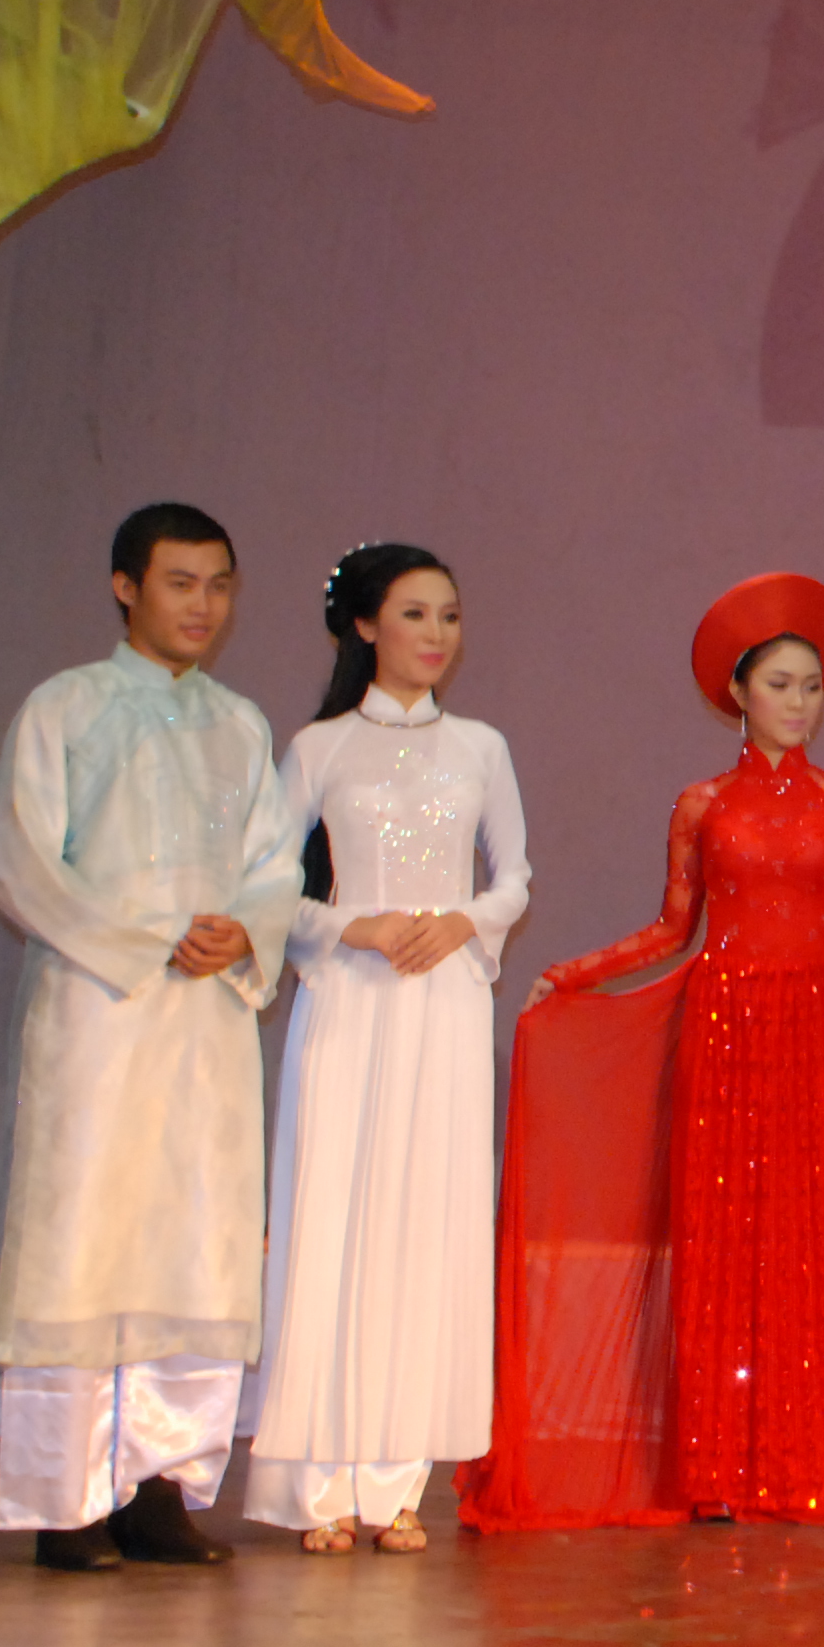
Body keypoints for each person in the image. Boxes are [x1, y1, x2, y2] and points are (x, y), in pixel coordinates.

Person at [477, 575, 824, 1529]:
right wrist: (574, 976)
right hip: (722, 1032)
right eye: (780, 686)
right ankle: (716, 1467)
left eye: (812, 688)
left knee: (812, 1247)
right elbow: (673, 929)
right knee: (720, 1244)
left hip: (817, 1033)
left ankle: (802, 1462)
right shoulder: (702, 804)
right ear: (738, 694)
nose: (799, 704)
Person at [0, 503, 304, 1572]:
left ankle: (160, 1487)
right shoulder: (66, 707)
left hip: (205, 1022)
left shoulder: (240, 725)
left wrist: (243, 931)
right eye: (179, 583)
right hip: (98, 1010)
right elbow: (20, 860)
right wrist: (141, 943)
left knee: (195, 1238)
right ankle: (65, 1501)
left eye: (218, 585)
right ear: (126, 587)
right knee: (83, 1237)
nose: (202, 606)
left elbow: (274, 867)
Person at [246, 544, 530, 1556]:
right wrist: (349, 927)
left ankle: (401, 1483)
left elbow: (514, 879)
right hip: (352, 999)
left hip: (444, 1002)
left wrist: (461, 922)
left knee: (428, 1222)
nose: (437, 634)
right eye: (415, 614)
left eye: (449, 615)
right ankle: (317, 1484)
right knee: (335, 1210)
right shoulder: (318, 748)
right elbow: (266, 884)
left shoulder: (481, 747)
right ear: (365, 626)